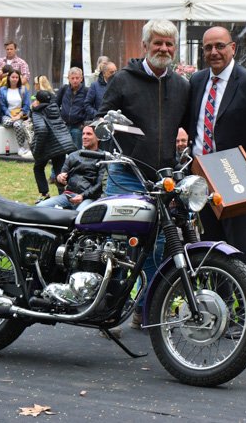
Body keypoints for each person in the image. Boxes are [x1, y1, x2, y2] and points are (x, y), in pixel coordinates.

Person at [97, 19, 189, 328]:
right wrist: (118, 142)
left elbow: (188, 126)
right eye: (158, 43)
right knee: (118, 244)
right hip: (125, 174)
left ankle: (146, 309)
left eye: (169, 44)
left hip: (161, 179)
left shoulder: (180, 85)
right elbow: (101, 120)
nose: (163, 48)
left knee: (159, 247)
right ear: (145, 45)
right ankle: (108, 309)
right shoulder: (123, 79)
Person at [187, 25, 246, 278]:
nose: (214, 52)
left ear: (233, 48)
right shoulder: (197, 81)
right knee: (210, 252)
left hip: (237, 177)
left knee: (241, 253)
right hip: (203, 180)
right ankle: (219, 312)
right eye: (208, 47)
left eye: (219, 46)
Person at [37, 124, 106, 212]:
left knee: (79, 216)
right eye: (83, 134)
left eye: (89, 134)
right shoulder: (73, 156)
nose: (84, 137)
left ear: (98, 138)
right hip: (68, 196)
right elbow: (61, 183)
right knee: (39, 207)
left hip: (89, 198)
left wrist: (83, 196)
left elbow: (100, 185)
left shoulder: (103, 158)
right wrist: (59, 179)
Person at [30, 90, 76, 203]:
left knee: (38, 168)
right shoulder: (54, 109)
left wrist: (36, 150)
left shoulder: (37, 112)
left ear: (38, 101)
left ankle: (44, 194)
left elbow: (41, 131)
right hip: (60, 145)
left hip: (46, 146)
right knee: (60, 171)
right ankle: (64, 195)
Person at [0, 68, 32, 158]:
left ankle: (21, 147)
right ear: (9, 78)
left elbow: (26, 105)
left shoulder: (23, 89)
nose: (15, 79)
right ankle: (24, 145)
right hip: (8, 115)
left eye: (17, 77)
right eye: (13, 77)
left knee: (17, 124)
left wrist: (19, 116)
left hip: (20, 114)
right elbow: (3, 106)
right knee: (7, 122)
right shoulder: (2, 90)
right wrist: (11, 115)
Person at [56, 67, 88, 149]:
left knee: (76, 149)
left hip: (78, 126)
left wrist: (84, 123)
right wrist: (59, 118)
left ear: (81, 78)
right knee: (62, 149)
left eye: (77, 78)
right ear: (68, 79)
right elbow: (55, 104)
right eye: (72, 78)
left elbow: (89, 107)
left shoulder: (86, 91)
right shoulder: (64, 89)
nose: (75, 80)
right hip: (64, 125)